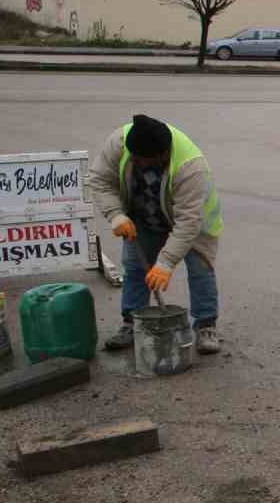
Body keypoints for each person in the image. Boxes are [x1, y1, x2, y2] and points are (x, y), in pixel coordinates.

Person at [86, 114, 224, 354]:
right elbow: (99, 180)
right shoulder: (120, 142)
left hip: (193, 219)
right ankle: (132, 322)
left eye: (145, 161)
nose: (139, 163)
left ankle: (206, 325)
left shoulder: (190, 166)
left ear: (162, 154)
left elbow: (188, 222)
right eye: (136, 159)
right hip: (144, 213)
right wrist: (115, 214)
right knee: (135, 268)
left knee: (200, 269)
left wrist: (166, 263)